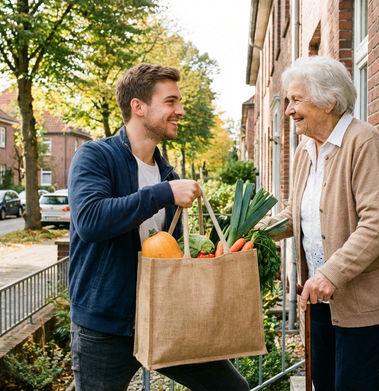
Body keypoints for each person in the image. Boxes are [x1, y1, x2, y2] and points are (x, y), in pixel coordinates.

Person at [66, 63, 250, 391]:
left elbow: (176, 251)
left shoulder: (168, 175)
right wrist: (162, 194)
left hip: (167, 317)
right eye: (170, 102)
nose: (180, 110)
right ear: (138, 106)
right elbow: (90, 221)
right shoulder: (94, 157)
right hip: (105, 327)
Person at [257, 56, 379, 391]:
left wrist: (330, 274)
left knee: (354, 385)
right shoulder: (305, 149)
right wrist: (257, 233)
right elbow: (295, 212)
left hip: (366, 298)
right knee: (325, 383)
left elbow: (377, 222)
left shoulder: (364, 142)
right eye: (288, 101)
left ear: (329, 101)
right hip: (320, 299)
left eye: (296, 100)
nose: (289, 110)